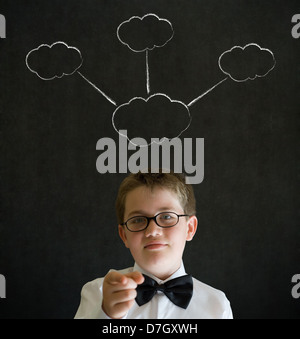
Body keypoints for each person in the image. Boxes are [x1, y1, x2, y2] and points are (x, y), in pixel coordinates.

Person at [74, 171, 233, 319]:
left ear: (190, 228)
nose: (153, 231)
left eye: (166, 216)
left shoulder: (217, 305)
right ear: (124, 235)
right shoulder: (97, 293)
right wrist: (107, 315)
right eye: (137, 220)